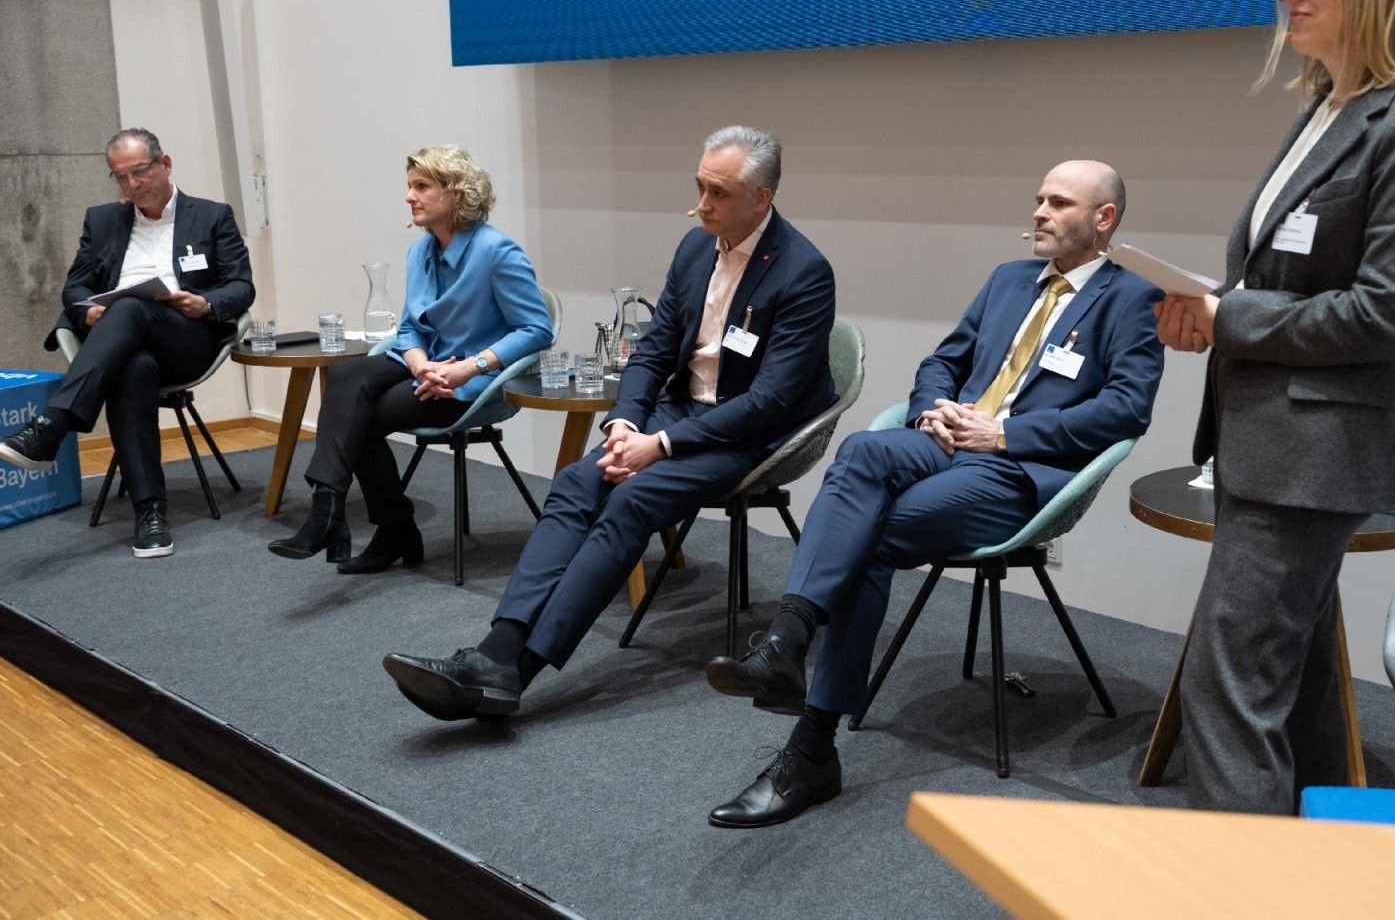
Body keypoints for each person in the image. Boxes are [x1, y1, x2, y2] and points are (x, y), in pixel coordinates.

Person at [704, 159, 1165, 827]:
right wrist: (930, 412)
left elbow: (1125, 409)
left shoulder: (1133, 298)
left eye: (1059, 203)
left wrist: (1004, 433)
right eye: (1038, 198)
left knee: (868, 539)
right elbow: (944, 361)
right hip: (949, 439)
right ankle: (787, 644)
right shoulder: (1007, 279)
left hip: (1018, 469)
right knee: (862, 451)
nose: (1039, 211)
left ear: (1104, 218)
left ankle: (809, 745)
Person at [1152, 0, 1395, 814]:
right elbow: (1279, 280)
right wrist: (1208, 312)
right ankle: (1323, 854)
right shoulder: (1326, 110)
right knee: (1295, 685)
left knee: (1228, 689)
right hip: (1264, 438)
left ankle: (1232, 881)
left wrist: (1230, 317)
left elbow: (1385, 313)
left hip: (1315, 455)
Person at [382, 125, 837, 719]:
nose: (700, 204)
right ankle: (497, 649)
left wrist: (660, 444)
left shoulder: (803, 271)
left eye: (718, 193)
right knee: (577, 481)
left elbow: (770, 401)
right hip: (680, 411)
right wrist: (623, 424)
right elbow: (653, 352)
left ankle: (515, 672)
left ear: (761, 199)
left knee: (631, 500)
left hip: (749, 433)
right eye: (699, 187)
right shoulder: (695, 248)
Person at [268, 145, 551, 572]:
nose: (409, 196)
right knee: (345, 374)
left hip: (472, 382)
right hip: (424, 365)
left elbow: (536, 329)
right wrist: (420, 364)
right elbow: (409, 328)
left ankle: (384, 527)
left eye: (421, 186)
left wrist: (467, 368)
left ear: (455, 192)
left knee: (359, 416)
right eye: (409, 186)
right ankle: (329, 510)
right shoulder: (419, 252)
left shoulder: (497, 251)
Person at [0, 129, 254, 558]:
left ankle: (50, 426)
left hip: (186, 338)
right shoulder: (102, 221)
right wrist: (87, 312)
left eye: (140, 171)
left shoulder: (212, 216)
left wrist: (205, 303)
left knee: (132, 308)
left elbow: (241, 286)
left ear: (165, 164)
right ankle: (150, 513)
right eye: (121, 177)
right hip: (121, 343)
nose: (132, 184)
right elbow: (76, 287)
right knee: (133, 367)